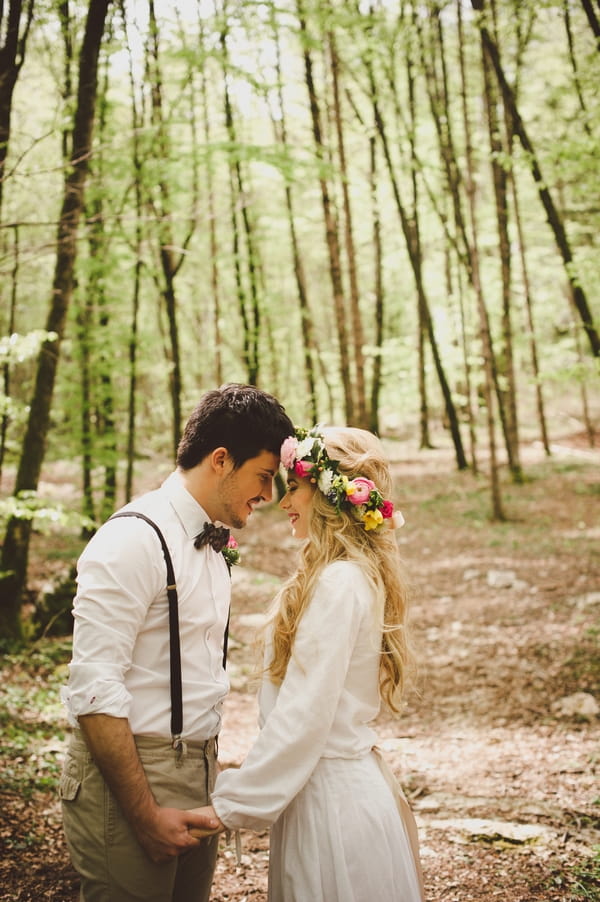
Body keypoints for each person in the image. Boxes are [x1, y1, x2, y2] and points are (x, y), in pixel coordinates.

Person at [59, 383, 295, 902]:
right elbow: (94, 690)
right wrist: (143, 814)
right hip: (130, 778)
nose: (268, 495)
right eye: (263, 476)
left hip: (199, 771)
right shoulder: (132, 539)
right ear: (220, 460)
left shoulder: (212, 541)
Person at [196, 425, 425, 902]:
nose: (283, 502)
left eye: (294, 488)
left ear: (329, 496)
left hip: (333, 808)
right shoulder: (344, 576)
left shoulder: (341, 583)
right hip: (319, 794)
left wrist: (230, 807)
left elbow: (305, 714)